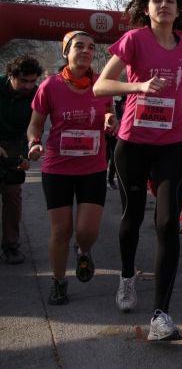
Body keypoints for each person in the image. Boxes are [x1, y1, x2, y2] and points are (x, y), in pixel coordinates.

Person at [94, 0, 182, 341]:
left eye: (170, 0)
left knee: (168, 222)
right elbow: (100, 87)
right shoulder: (135, 40)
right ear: (146, 8)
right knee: (132, 217)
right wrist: (137, 88)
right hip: (134, 142)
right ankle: (127, 277)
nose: (164, 5)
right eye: (157, 0)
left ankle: (160, 317)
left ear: (178, 8)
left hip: (173, 142)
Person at [27, 31, 118, 304]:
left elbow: (109, 110)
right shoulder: (49, 86)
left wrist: (111, 119)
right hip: (57, 167)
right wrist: (33, 142)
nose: (86, 51)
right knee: (61, 231)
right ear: (66, 51)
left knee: (87, 231)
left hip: (92, 166)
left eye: (91, 47)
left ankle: (84, 250)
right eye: (79, 46)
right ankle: (58, 282)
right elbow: (35, 124)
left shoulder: (103, 83)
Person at [0, 55, 42, 264]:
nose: (28, 85)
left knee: (12, 195)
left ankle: (11, 245)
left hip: (14, 145)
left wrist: (26, 154)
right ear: (11, 76)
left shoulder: (36, 95)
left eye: (32, 81)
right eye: (23, 80)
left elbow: (33, 126)